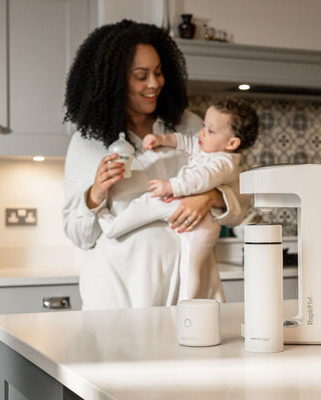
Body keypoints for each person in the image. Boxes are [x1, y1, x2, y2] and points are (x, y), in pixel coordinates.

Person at [62, 20, 250, 310]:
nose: (154, 84)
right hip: (120, 298)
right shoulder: (87, 143)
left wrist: (210, 197)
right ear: (113, 80)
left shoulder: (189, 127)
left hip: (190, 295)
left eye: (159, 72)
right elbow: (79, 235)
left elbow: (242, 203)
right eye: (141, 75)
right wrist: (96, 193)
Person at [97, 98, 259, 300]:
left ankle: (113, 226)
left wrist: (171, 186)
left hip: (195, 217)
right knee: (190, 271)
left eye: (210, 130)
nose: (201, 133)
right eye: (203, 126)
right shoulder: (209, 148)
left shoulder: (223, 162)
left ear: (232, 143)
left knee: (150, 201)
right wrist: (162, 139)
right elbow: (185, 141)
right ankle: (187, 307)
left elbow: (201, 179)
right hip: (199, 226)